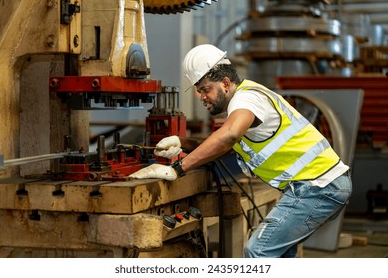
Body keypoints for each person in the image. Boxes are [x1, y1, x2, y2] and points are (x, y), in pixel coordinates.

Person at [129, 44, 352, 258]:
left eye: (205, 89)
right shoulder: (247, 100)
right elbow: (227, 145)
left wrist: (178, 168)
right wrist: (182, 143)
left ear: (225, 83)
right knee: (281, 254)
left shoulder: (246, 98)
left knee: (259, 251)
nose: (202, 97)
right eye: (198, 91)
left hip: (318, 186)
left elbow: (229, 136)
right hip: (319, 185)